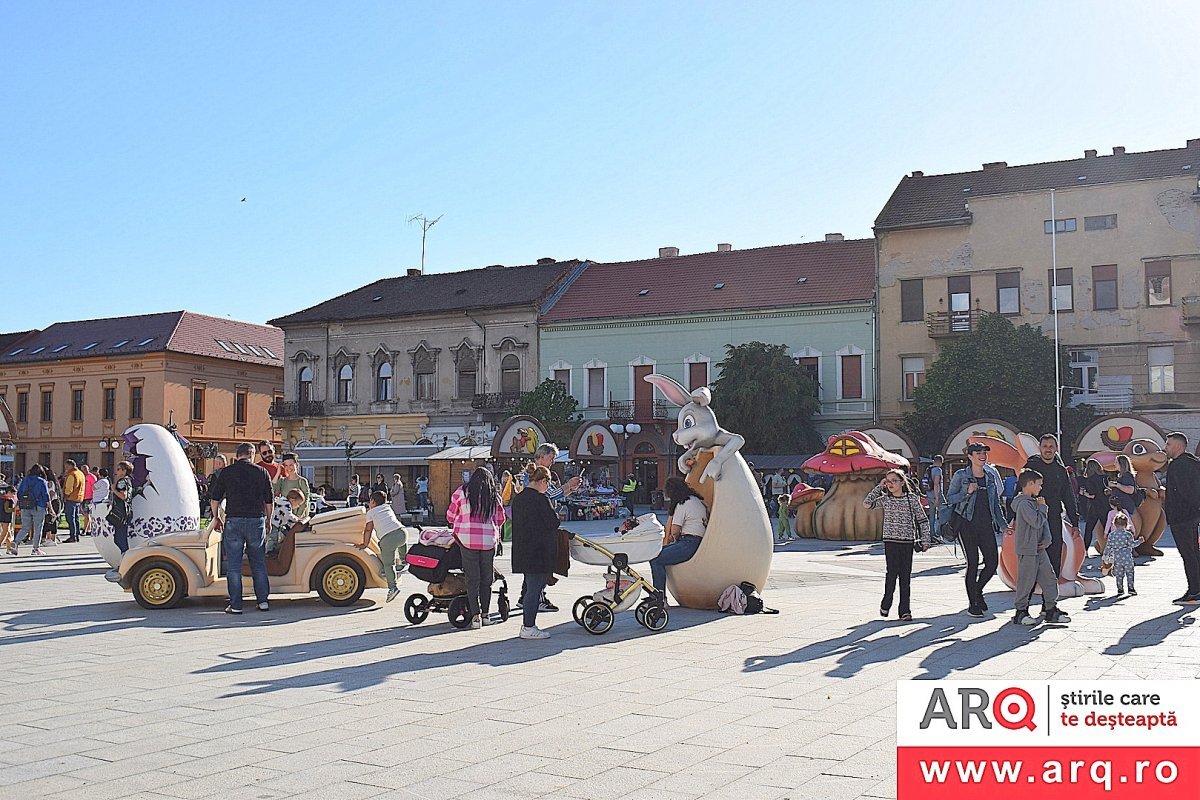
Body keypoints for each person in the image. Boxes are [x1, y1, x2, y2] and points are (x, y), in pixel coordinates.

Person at [209, 443, 273, 614]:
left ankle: (236, 605)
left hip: (234, 520)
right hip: (256, 520)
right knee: (258, 563)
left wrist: (216, 518)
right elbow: (269, 501)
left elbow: (215, 499)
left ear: (237, 456)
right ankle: (263, 601)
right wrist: (268, 520)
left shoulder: (227, 472)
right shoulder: (261, 472)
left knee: (234, 566)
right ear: (252, 455)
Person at [516, 443, 581, 612]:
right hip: (537, 527)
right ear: (541, 457)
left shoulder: (542, 474)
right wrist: (568, 485)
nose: (552, 461)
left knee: (533, 570)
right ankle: (534, 599)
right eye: (551, 457)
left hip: (537, 525)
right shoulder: (534, 474)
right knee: (537, 567)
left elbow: (553, 495)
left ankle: (529, 597)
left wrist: (569, 489)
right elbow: (549, 494)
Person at [946, 442, 1007, 617]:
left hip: (986, 525)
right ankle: (973, 603)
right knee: (973, 563)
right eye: (978, 453)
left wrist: (1003, 526)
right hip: (966, 525)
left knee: (992, 562)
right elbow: (949, 499)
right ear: (970, 456)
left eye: (984, 453)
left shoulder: (990, 477)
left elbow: (995, 505)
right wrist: (967, 492)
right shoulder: (961, 476)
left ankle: (978, 591)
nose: (982, 455)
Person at [863, 468, 931, 621]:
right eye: (888, 481)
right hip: (890, 541)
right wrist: (879, 488)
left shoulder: (912, 499)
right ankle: (886, 603)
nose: (891, 484)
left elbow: (922, 520)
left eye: (894, 481)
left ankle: (905, 611)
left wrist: (926, 539)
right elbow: (867, 504)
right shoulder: (885, 499)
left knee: (905, 577)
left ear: (902, 482)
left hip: (907, 542)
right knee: (891, 574)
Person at [446, 467, 505, 628]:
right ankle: (486, 615)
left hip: (467, 540)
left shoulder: (462, 492)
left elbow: (450, 515)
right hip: (488, 542)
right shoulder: (494, 496)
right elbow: (501, 519)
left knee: (472, 579)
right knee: (486, 579)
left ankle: (475, 617)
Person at [1011, 469, 1071, 626]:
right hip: (1027, 549)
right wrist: (1043, 508)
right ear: (1030, 484)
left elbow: (1042, 525)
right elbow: (1036, 521)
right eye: (1039, 484)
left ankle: (1051, 609)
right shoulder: (1023, 504)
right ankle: (1021, 612)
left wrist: (1047, 539)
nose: (1040, 488)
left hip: (1039, 548)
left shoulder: (1033, 502)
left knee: (1050, 578)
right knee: (1026, 581)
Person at [511, 465, 560, 639]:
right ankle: (528, 626)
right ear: (541, 481)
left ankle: (528, 625)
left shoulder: (518, 499)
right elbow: (553, 523)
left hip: (523, 550)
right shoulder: (540, 499)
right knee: (534, 590)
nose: (548, 487)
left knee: (531, 588)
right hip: (538, 551)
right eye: (548, 483)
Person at [1023, 434, 1080, 578]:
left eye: (1051, 446)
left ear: (1056, 448)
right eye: (1045, 446)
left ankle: (1051, 583)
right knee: (1033, 549)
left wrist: (1075, 523)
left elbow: (1068, 496)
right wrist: (1014, 517)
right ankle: (1032, 582)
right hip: (1033, 516)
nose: (1048, 449)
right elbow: (1020, 491)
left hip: (1053, 515)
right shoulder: (1031, 466)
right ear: (1039, 448)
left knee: (1055, 549)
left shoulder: (1061, 470)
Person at [649, 477, 708, 598]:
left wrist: (673, 538)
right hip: (697, 541)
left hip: (688, 543)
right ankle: (659, 596)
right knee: (656, 554)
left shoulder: (683, 503)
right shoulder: (697, 500)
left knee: (655, 558)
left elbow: (675, 530)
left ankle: (659, 597)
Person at [1163, 432, 1200, 604]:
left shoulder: (1178, 465)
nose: (1165, 447)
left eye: (1168, 444)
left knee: (1188, 554)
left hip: (1182, 517)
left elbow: (1186, 491)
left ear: (1178, 446)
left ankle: (1194, 591)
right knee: (1193, 553)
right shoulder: (1192, 463)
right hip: (1191, 516)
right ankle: (1195, 589)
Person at [363, 489, 405, 603]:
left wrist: (364, 544)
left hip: (387, 539)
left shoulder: (371, 513)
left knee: (388, 564)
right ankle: (404, 560)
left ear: (373, 502)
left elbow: (368, 530)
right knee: (401, 543)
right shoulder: (388, 507)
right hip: (402, 532)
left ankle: (393, 587)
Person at [12, 465, 52, 556]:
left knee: (25, 527)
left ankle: (16, 542)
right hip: (39, 506)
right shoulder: (42, 481)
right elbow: (46, 495)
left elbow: (19, 493)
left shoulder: (25, 480)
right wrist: (50, 508)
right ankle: (35, 549)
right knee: (38, 528)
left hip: (25, 506)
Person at [1102, 512, 1143, 597]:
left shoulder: (1112, 535)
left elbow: (1108, 547)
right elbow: (1132, 544)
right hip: (1127, 557)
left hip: (1117, 558)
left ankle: (1120, 589)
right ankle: (1131, 588)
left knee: (1119, 574)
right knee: (1130, 572)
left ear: (1114, 524)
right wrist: (1139, 541)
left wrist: (1105, 555)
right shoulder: (1128, 534)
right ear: (1126, 524)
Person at [1078, 458, 1108, 555]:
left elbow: (1092, 495)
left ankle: (1085, 550)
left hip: (1095, 507)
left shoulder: (1090, 480)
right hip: (1106, 505)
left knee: (1089, 529)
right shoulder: (1104, 477)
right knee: (1108, 528)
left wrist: (1083, 493)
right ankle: (1115, 547)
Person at [268, 488, 309, 555]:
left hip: (277, 523)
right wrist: (298, 519)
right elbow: (288, 516)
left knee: (279, 535)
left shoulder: (283, 502)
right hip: (274, 523)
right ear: (293, 500)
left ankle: (274, 549)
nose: (298, 506)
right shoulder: (286, 504)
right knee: (273, 537)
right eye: (298, 504)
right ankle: (269, 551)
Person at [272, 453, 311, 518]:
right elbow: (272, 490)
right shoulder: (282, 480)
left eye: (291, 465)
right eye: (286, 465)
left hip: (298, 519)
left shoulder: (302, 481)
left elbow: (305, 501)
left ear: (297, 465)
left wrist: (298, 517)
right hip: (284, 517)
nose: (288, 468)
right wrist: (278, 472)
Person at [61, 459, 85, 543]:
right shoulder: (80, 473)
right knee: (76, 518)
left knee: (70, 518)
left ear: (70, 466)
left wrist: (65, 496)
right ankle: (77, 535)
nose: (66, 468)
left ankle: (72, 536)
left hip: (71, 498)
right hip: (78, 498)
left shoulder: (72, 475)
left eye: (67, 466)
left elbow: (69, 488)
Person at [925, 455, 944, 537]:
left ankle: (931, 533)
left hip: (929, 494)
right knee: (943, 513)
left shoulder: (928, 470)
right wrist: (937, 497)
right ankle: (939, 532)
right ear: (940, 462)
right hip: (937, 495)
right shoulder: (938, 470)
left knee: (932, 515)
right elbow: (936, 484)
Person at [81, 464, 96, 533]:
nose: (84, 471)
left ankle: (85, 529)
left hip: (89, 497)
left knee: (86, 514)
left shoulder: (91, 477)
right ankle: (89, 529)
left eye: (85, 470)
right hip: (82, 497)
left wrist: (94, 497)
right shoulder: (82, 476)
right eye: (83, 470)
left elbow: (94, 487)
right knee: (85, 514)